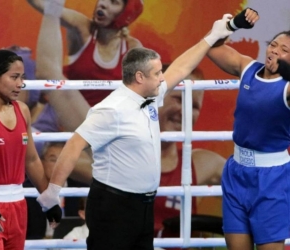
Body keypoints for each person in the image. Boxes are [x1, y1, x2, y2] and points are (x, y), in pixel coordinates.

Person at [36, 13, 233, 250]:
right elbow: (74, 145)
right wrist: (52, 194)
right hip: (113, 206)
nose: (163, 78)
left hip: (142, 205)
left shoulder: (151, 95)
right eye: (158, 73)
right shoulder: (111, 108)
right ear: (140, 77)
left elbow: (181, 67)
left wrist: (212, 36)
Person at [207, 8, 290, 250]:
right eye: (273, 45)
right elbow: (211, 47)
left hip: (272, 179)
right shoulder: (248, 68)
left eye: (284, 50)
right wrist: (233, 24)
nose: (275, 51)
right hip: (236, 172)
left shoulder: (286, 89)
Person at [0, 49, 61, 249]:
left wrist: (49, 200)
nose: (20, 84)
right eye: (14, 77)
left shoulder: (22, 110)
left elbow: (31, 160)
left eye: (22, 77)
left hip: (18, 207)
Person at [154, 68, 226, 241]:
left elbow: (261, 184)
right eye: (179, 99)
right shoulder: (118, 155)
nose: (185, 111)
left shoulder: (202, 164)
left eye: (194, 106)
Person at [27, 0, 143, 107]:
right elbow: (46, 7)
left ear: (126, 13)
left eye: (113, 2)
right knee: (49, 75)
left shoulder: (132, 48)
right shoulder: (83, 27)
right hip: (70, 117)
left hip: (107, 122)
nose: (103, 3)